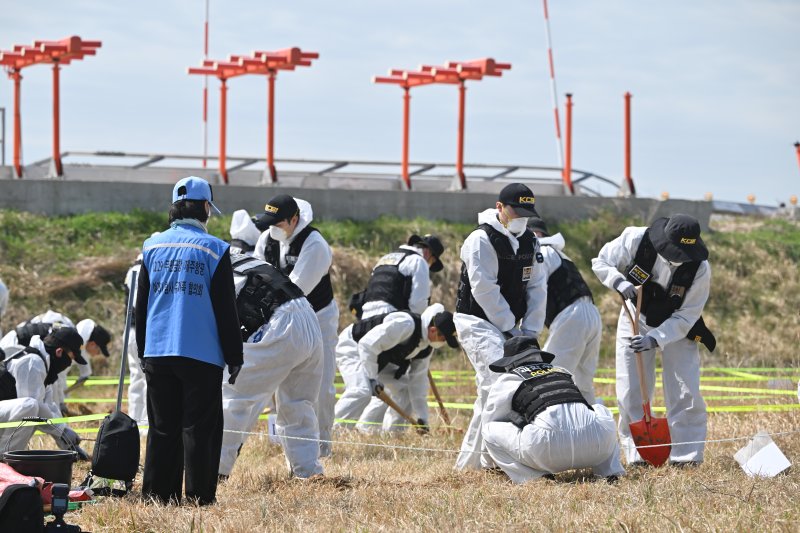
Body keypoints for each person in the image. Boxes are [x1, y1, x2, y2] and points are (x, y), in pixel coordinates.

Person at [135, 176, 243, 505]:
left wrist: (143, 351)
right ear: (205, 208)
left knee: (162, 428)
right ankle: (198, 499)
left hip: (158, 350)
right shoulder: (215, 249)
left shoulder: (152, 246)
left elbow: (142, 305)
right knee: (200, 430)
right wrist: (234, 355)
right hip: (201, 353)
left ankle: (158, 496)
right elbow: (226, 308)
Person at [591, 214, 714, 467]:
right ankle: (638, 454)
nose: (678, 258)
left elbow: (687, 315)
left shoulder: (700, 268)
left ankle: (686, 455)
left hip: (677, 326)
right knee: (630, 387)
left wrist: (656, 339)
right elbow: (601, 261)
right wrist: (618, 281)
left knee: (685, 388)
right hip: (636, 316)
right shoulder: (636, 239)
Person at [453, 182, 547, 470]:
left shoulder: (531, 241)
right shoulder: (481, 240)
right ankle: (493, 461)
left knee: (490, 392)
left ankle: (475, 464)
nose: (520, 217)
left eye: (526, 213)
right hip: (477, 320)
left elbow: (537, 286)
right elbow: (484, 290)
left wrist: (530, 331)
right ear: (499, 208)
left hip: (512, 327)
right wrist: (510, 328)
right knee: (500, 383)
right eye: (515, 211)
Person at [219, 254, 324, 479]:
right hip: (308, 316)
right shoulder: (246, 261)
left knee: (235, 397)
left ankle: (214, 471)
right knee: (299, 403)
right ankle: (307, 472)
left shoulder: (216, 271)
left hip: (279, 325)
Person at [252, 194, 339, 457]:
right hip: (279, 317)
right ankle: (289, 444)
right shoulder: (267, 239)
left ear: (294, 220)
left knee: (320, 385)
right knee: (282, 382)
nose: (273, 228)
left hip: (317, 317)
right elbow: (255, 276)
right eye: (270, 223)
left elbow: (296, 289)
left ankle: (322, 446)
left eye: (279, 223)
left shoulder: (315, 244)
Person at [482, 337, 625, 483]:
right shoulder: (563, 372)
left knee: (489, 429)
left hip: (547, 452)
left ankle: (535, 478)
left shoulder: (509, 379)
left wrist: (488, 462)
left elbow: (491, 418)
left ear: (510, 363)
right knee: (598, 409)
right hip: (597, 447)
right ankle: (610, 472)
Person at [333, 304, 458, 430]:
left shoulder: (426, 347)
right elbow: (367, 344)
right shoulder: (406, 324)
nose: (443, 343)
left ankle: (389, 433)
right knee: (362, 390)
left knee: (405, 391)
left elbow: (418, 382)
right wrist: (372, 378)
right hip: (354, 346)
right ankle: (331, 432)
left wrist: (423, 419)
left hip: (377, 359)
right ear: (433, 330)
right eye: (443, 339)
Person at [527, 217, 601, 403]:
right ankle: (593, 428)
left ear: (536, 235)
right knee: (583, 383)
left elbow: (536, 290)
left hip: (572, 315)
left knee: (548, 377)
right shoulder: (561, 254)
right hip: (591, 314)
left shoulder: (542, 252)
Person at [0, 326, 89, 457]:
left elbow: (49, 406)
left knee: (32, 407)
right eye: (71, 357)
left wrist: (66, 439)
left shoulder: (43, 365)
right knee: (29, 406)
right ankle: (5, 459)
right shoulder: (32, 363)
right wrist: (62, 431)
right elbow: (33, 413)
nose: (70, 363)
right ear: (59, 352)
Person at [0, 311, 112, 412]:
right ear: (92, 344)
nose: (98, 354)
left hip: (19, 346)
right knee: (25, 401)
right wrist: (60, 407)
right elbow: (56, 381)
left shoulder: (69, 336)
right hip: (13, 347)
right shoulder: (65, 342)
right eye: (98, 349)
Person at [353, 234, 445, 320]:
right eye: (432, 261)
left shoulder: (385, 258)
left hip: (365, 318)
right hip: (391, 319)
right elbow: (418, 305)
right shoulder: (419, 261)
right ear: (427, 252)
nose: (429, 265)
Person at [124, 252, 148, 430]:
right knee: (150, 378)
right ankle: (146, 424)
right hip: (144, 331)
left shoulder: (131, 270)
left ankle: (134, 420)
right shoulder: (146, 269)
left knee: (136, 378)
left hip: (129, 331)